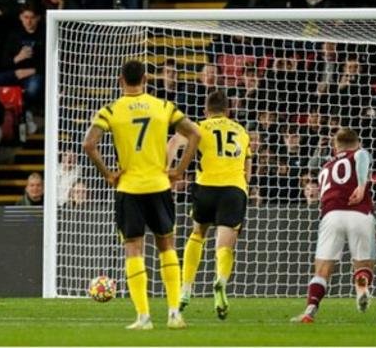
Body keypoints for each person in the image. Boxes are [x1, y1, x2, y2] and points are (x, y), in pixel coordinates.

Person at [83, 60, 200, 330]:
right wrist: (179, 170)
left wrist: (108, 174)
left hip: (129, 189)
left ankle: (144, 317)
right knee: (167, 246)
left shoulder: (110, 111)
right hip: (159, 186)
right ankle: (174, 314)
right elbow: (194, 133)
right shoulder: (163, 107)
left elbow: (89, 144)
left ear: (120, 80)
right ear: (146, 79)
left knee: (133, 249)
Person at [167, 90, 251, 320]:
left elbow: (174, 142)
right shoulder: (241, 131)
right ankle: (220, 282)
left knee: (197, 234)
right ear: (228, 110)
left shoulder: (199, 127)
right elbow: (247, 168)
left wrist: (169, 169)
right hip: (233, 189)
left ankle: (185, 289)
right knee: (225, 244)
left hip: (206, 188)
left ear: (206, 110)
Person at [291, 128, 376, 323]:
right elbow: (363, 157)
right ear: (357, 142)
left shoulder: (325, 168)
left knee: (322, 270)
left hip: (331, 215)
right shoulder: (359, 153)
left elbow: (324, 198)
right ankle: (361, 286)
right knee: (363, 264)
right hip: (361, 214)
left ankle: (310, 309)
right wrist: (362, 186)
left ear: (335, 146)